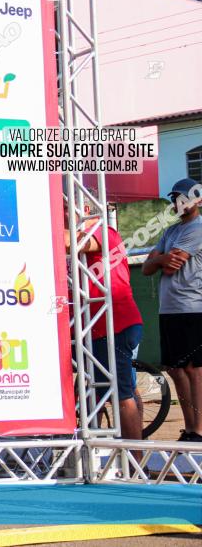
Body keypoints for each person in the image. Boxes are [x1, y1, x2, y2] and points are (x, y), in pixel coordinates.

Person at [66, 199, 143, 440]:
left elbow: (69, 241)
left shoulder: (104, 231)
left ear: (85, 209)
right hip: (90, 328)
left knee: (120, 395)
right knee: (95, 392)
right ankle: (96, 453)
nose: (60, 215)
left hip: (113, 325)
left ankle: (135, 464)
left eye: (64, 208)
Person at [142, 177, 202, 442]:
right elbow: (146, 268)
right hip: (169, 309)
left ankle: (198, 430)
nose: (177, 202)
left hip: (191, 307)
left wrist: (160, 258)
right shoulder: (171, 231)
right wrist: (161, 258)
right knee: (176, 370)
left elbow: (166, 267)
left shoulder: (197, 228)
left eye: (182, 197)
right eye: (174, 198)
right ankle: (189, 429)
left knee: (193, 370)